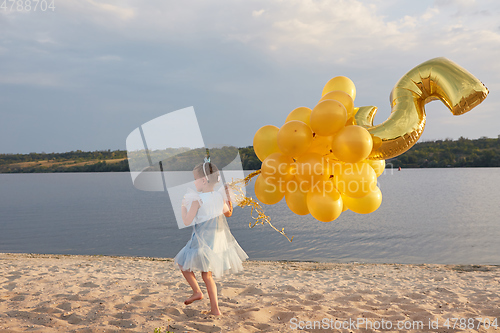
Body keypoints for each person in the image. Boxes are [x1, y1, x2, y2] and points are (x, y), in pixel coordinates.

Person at [174, 160, 248, 316]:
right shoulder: (218, 197)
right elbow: (228, 213)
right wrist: (228, 200)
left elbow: (187, 221)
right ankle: (215, 310)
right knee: (207, 276)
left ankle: (197, 292)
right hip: (216, 242)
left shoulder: (196, 199)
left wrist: (182, 207)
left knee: (182, 264)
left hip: (200, 240)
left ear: (203, 180)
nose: (194, 182)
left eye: (195, 178)